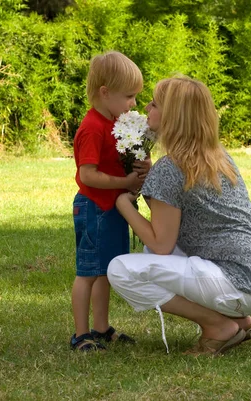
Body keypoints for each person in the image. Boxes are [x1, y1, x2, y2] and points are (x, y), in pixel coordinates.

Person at [108, 76, 251, 356]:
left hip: (237, 282)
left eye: (155, 103)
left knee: (121, 270)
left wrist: (123, 204)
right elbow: (172, 223)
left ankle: (218, 326)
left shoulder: (170, 168)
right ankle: (239, 320)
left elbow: (161, 244)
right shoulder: (218, 155)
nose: (147, 106)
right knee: (149, 251)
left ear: (173, 117)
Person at [70, 51, 151, 352]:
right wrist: (125, 183)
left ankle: (101, 328)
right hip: (95, 207)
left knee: (107, 270)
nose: (133, 104)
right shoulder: (91, 128)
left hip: (116, 207)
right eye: (129, 97)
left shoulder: (119, 122)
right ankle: (80, 335)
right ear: (105, 93)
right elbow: (87, 175)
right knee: (88, 272)